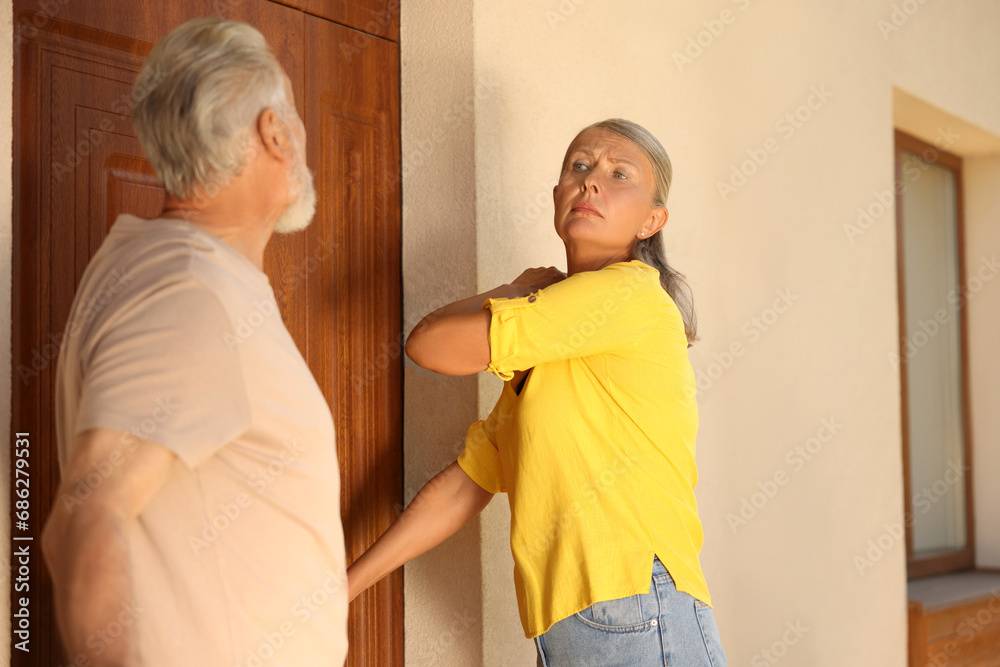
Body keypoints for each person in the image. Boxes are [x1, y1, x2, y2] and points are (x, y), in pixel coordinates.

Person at [348, 118, 727, 666]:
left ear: (652, 220)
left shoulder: (625, 295)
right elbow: (463, 487)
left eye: (618, 173)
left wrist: (518, 290)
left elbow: (429, 345)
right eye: (579, 165)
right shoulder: (551, 347)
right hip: (586, 621)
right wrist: (345, 589)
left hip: (636, 604)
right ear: (557, 196)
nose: (591, 181)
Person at [41, 18, 348, 666]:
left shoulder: (181, 273)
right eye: (290, 111)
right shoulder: (189, 288)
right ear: (272, 130)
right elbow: (85, 517)